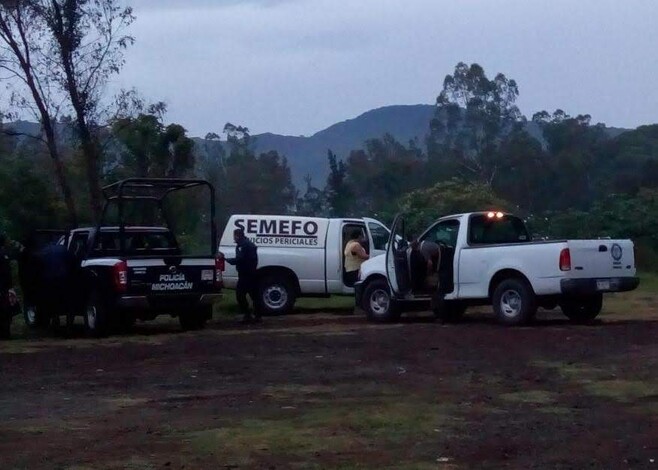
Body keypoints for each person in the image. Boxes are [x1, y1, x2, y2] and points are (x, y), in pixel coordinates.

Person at [222, 229, 260, 323]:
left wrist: (226, 259)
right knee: (254, 295)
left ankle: (247, 315)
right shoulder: (249, 244)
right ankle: (257, 315)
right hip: (251, 272)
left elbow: (240, 259)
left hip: (245, 274)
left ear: (237, 236)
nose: (234, 238)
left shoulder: (242, 245)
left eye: (234, 236)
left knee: (240, 295)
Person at [0, 233, 16, 339]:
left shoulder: (4, 253)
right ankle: (5, 333)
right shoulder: (4, 254)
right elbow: (7, 272)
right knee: (5, 311)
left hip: (3, 287)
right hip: (3, 287)